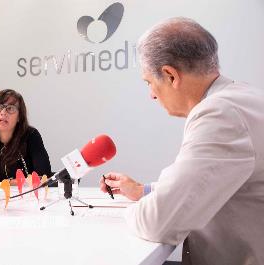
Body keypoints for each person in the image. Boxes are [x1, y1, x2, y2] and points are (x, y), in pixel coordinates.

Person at [100, 17, 264, 265]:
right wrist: (142, 190)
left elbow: (160, 221)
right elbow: (211, 180)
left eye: (149, 83)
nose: (152, 95)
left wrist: (125, 214)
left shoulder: (220, 114)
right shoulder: (243, 98)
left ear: (170, 75)